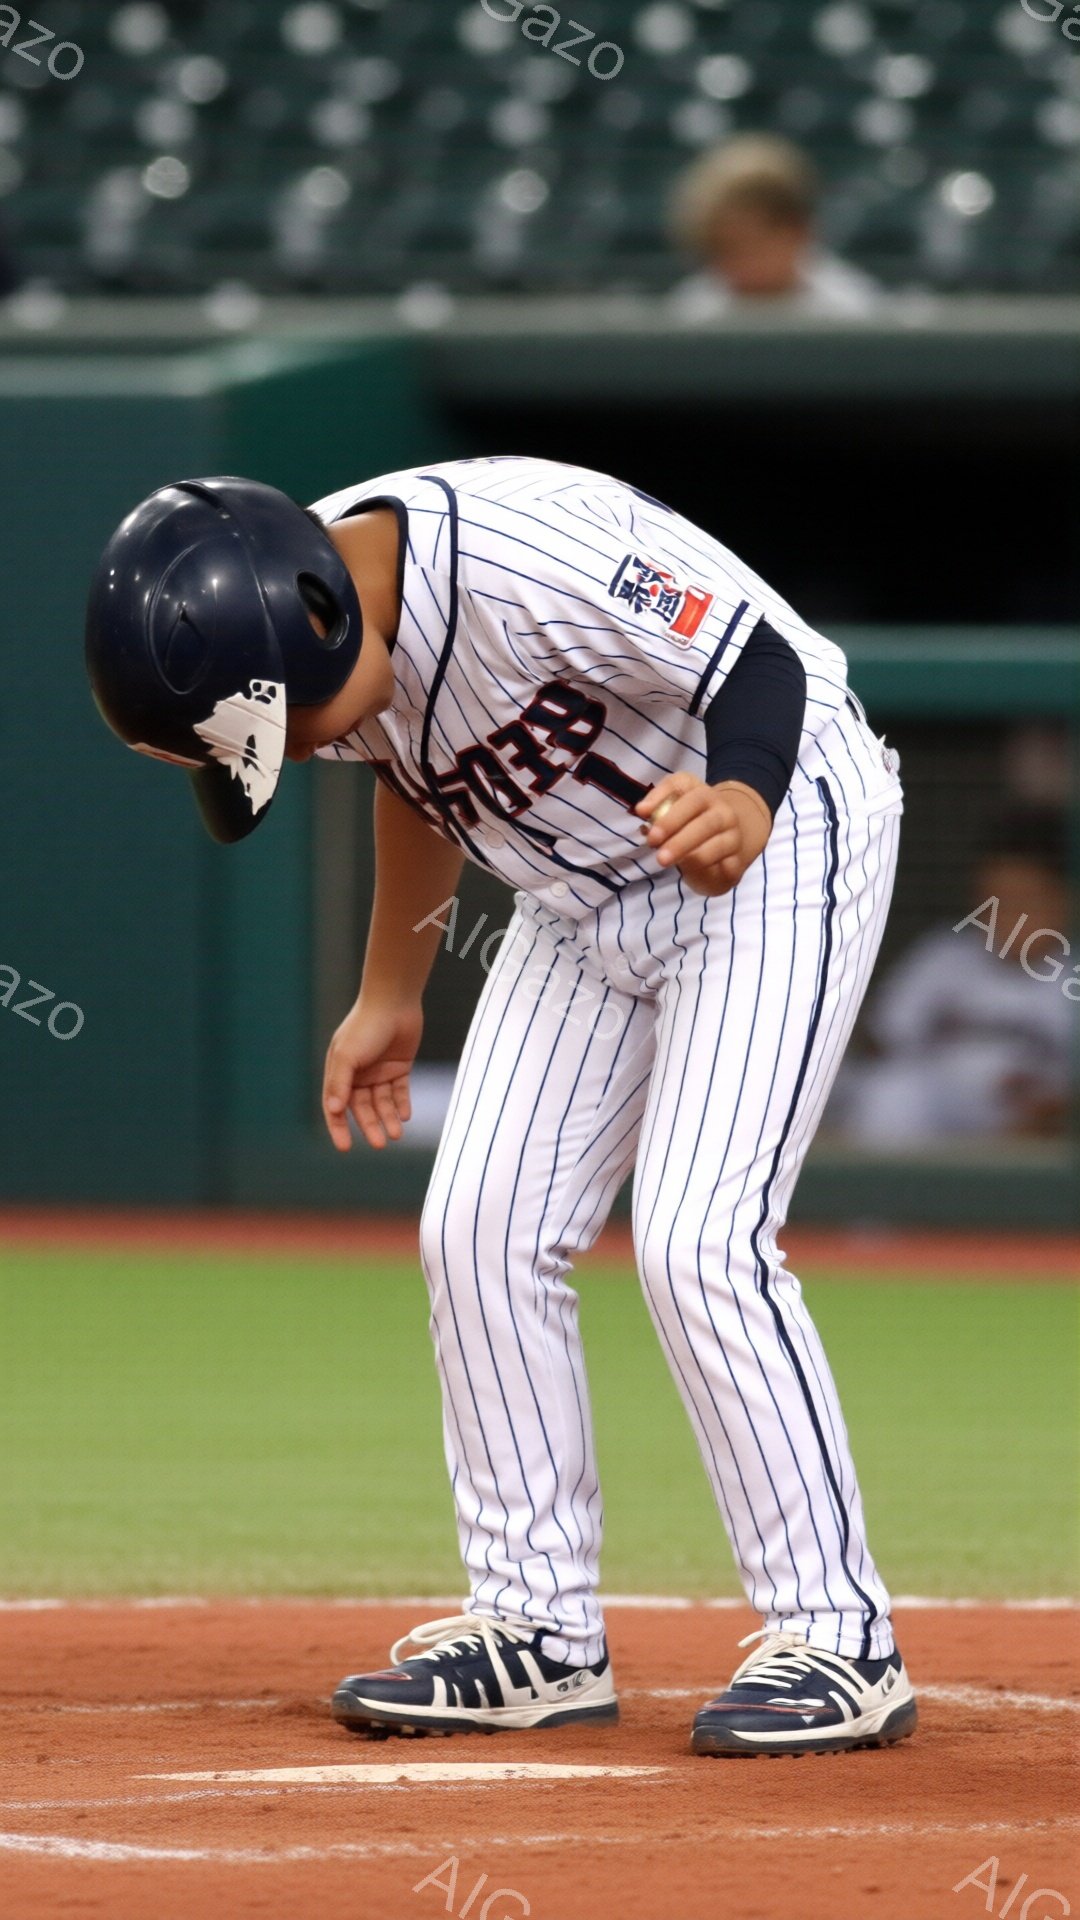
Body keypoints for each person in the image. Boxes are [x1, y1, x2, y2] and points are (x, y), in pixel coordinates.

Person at [85, 458, 914, 1759]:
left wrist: (745, 794)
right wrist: (389, 990)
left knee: (700, 1243)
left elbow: (754, 657)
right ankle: (538, 1632)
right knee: (475, 1231)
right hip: (580, 899)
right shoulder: (311, 625)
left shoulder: (532, 554)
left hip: (773, 830)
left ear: (320, 619)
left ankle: (838, 1636)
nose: (299, 748)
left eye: (292, 725)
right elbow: (412, 770)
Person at [834, 808, 1074, 1145]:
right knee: (889, 1095)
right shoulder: (945, 955)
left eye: (1025, 903)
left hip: (1028, 1124)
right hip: (938, 1115)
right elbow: (882, 1042)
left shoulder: (1071, 978)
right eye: (997, 902)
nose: (1007, 917)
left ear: (1062, 903)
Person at [669, 133, 880, 322]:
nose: (742, 266)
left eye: (753, 246)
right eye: (723, 249)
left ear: (799, 229)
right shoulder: (692, 315)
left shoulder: (853, 311)